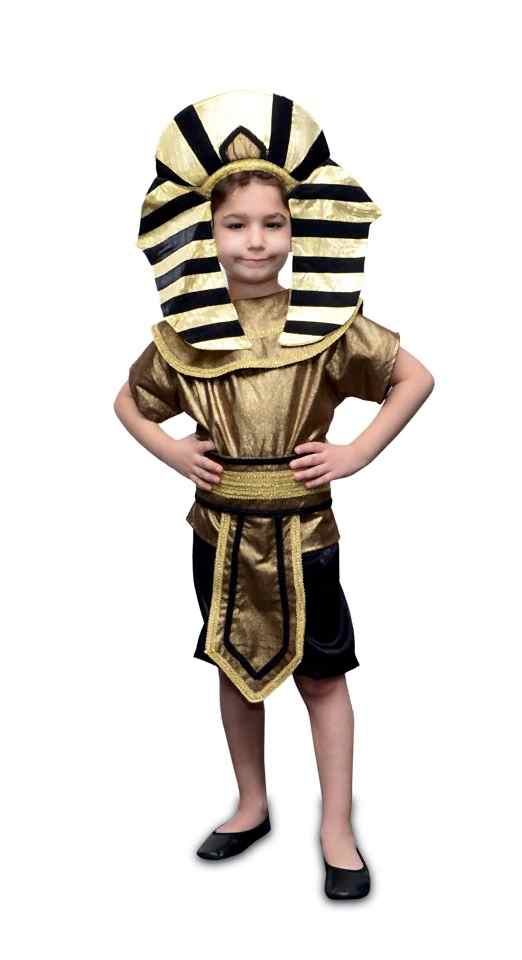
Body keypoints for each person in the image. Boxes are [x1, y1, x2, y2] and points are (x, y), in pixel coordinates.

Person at [113, 90, 435, 900]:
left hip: (305, 536)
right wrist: (172, 450)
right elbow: (129, 401)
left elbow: (413, 377)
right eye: (235, 224)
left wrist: (356, 451)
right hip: (218, 534)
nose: (254, 240)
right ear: (206, 232)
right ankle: (252, 803)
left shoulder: (329, 321)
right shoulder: (185, 332)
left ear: (299, 230)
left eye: (272, 223)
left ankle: (337, 825)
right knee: (233, 669)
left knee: (323, 676)